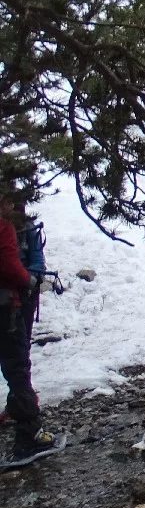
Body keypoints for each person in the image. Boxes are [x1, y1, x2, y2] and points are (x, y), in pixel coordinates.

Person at [0, 188, 54, 463]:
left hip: (14, 301)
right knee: (18, 365)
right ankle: (28, 434)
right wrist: (29, 281)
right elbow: (10, 266)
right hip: (9, 305)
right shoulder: (6, 226)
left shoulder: (24, 227)